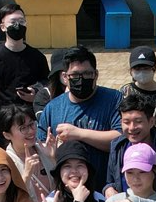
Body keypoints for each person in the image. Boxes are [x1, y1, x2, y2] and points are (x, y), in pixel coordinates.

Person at [39, 47, 124, 190]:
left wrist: (79, 133)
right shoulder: (52, 108)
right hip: (67, 193)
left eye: (87, 74)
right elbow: (41, 146)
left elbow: (121, 139)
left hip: (107, 190)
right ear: (65, 77)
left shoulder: (114, 99)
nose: (81, 79)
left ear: (96, 75)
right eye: (75, 75)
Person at [108, 90, 156, 188]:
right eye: (126, 122)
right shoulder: (117, 146)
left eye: (138, 121)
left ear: (151, 121)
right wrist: (108, 189)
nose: (132, 128)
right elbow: (110, 181)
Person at [0, 3, 50, 104]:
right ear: (3, 27)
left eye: (21, 21)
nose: (18, 25)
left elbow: (46, 81)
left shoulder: (37, 57)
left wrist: (36, 92)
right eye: (13, 22)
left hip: (29, 113)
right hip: (2, 113)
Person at [120, 46, 156, 124]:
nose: (142, 72)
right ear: (131, 70)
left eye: (146, 68)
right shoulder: (125, 91)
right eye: (137, 69)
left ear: (154, 68)